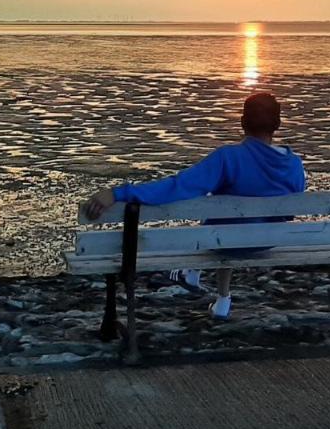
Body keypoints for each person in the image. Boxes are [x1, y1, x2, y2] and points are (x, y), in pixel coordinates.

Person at [83, 91, 305, 319]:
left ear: (242, 122)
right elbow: (291, 212)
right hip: (268, 242)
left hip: (228, 242)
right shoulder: (294, 164)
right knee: (233, 219)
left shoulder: (228, 158)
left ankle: (196, 275)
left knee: (226, 222)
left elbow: (178, 186)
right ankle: (214, 293)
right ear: (277, 124)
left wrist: (119, 193)